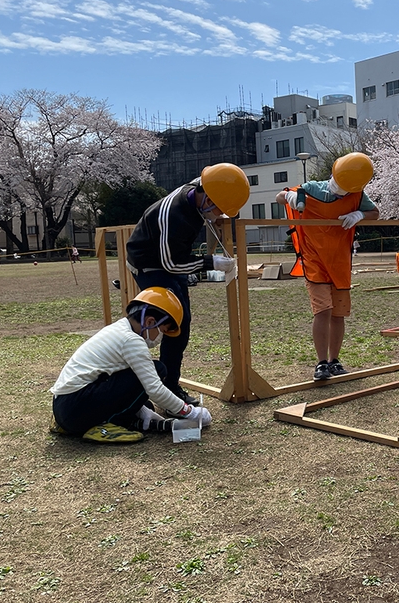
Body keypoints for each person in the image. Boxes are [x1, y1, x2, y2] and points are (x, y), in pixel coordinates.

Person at [126, 163, 249, 405]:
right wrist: (210, 262)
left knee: (183, 321)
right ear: (207, 199)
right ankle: (161, 388)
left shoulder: (202, 187)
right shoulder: (173, 215)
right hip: (150, 265)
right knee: (169, 323)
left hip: (171, 258)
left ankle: (167, 384)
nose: (219, 215)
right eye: (219, 210)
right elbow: (170, 264)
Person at [49, 288, 212, 443]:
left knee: (143, 403)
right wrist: (189, 412)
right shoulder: (131, 340)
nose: (160, 337)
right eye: (162, 330)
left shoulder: (118, 329)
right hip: (74, 407)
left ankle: (86, 422)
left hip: (64, 406)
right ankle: (106, 425)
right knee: (158, 369)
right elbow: (154, 389)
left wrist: (142, 410)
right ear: (150, 321)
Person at [278, 152, 380, 381]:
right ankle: (321, 362)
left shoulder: (357, 193)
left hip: (340, 261)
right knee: (322, 310)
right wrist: (290, 198)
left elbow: (375, 213)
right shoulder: (313, 187)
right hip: (314, 260)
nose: (341, 191)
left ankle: (335, 361)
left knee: (338, 314)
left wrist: (359, 214)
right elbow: (279, 196)